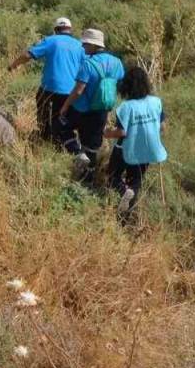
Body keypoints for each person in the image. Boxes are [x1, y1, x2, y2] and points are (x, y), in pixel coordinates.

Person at [57, 29, 124, 185]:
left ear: (93, 45)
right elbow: (119, 83)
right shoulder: (117, 63)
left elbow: (78, 90)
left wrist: (65, 106)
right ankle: (87, 182)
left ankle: (76, 152)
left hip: (81, 109)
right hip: (102, 110)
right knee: (92, 146)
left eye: (85, 43)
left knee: (61, 128)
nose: (83, 46)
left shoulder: (89, 64)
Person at [104, 66, 167, 227]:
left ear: (127, 85)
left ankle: (124, 192)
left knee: (112, 176)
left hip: (127, 149)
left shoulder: (126, 107)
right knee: (135, 182)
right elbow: (162, 127)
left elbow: (122, 132)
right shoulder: (156, 102)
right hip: (148, 150)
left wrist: (107, 133)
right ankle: (124, 220)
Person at [8, 17, 85, 146]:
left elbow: (28, 55)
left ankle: (44, 136)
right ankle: (59, 141)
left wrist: (13, 65)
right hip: (70, 91)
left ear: (56, 30)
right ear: (70, 30)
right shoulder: (80, 46)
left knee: (43, 111)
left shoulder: (51, 41)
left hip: (49, 88)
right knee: (61, 116)